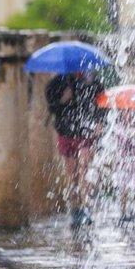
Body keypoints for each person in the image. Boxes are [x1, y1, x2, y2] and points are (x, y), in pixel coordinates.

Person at [45, 71, 105, 229]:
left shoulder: (92, 83)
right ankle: (76, 210)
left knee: (85, 171)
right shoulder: (57, 83)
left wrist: (99, 122)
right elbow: (51, 108)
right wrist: (63, 100)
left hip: (86, 134)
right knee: (73, 176)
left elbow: (102, 103)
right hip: (66, 134)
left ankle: (87, 208)